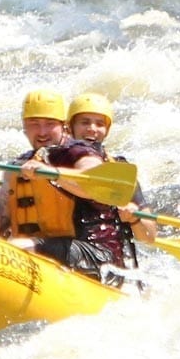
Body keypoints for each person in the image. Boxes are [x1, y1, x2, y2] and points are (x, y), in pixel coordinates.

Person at [0, 88, 136, 284]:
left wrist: (53, 173)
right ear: (24, 127)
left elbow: (94, 180)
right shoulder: (20, 165)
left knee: (17, 247)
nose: (42, 132)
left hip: (98, 255)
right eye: (34, 124)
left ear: (64, 127)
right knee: (1, 246)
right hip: (47, 251)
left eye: (50, 124)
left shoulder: (78, 152)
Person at [66, 92, 158, 262]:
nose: (92, 129)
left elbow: (149, 236)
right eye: (84, 122)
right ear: (70, 127)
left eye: (99, 124)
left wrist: (134, 218)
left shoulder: (119, 170)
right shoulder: (54, 160)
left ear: (106, 130)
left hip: (103, 256)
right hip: (64, 247)